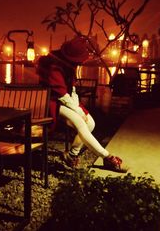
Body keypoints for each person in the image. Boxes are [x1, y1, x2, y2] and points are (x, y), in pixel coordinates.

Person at [37, 36, 128, 173]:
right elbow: (61, 94)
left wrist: (79, 108)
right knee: (80, 123)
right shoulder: (53, 66)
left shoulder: (67, 65)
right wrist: (79, 111)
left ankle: (71, 154)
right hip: (51, 102)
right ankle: (107, 157)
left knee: (90, 123)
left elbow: (71, 91)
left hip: (65, 100)